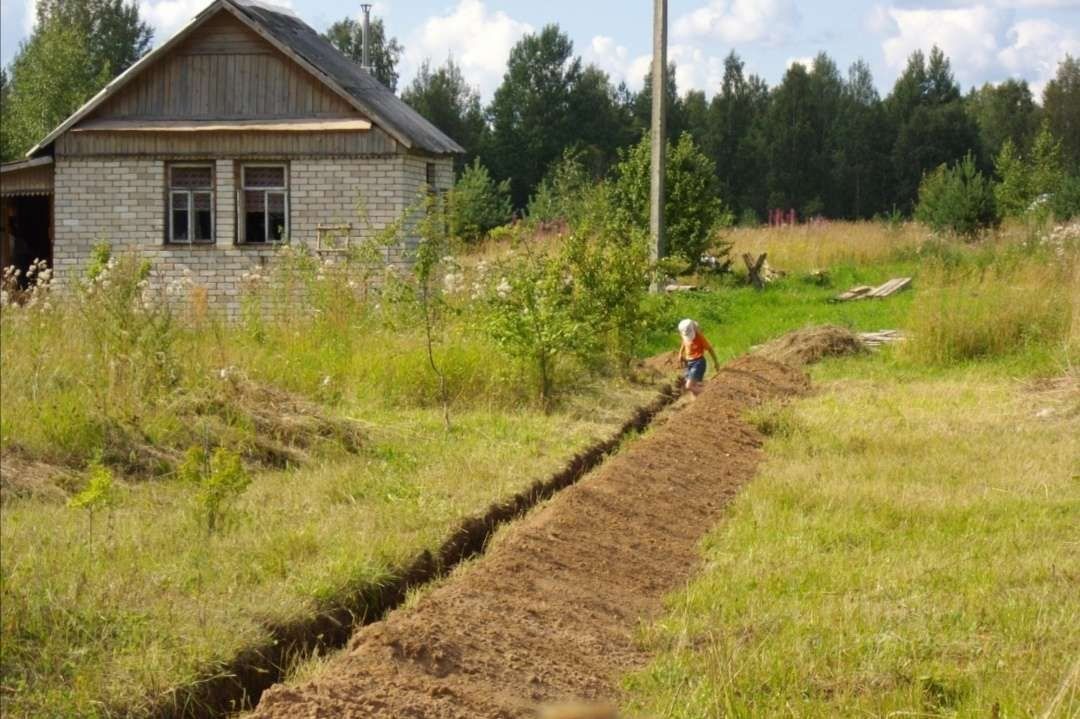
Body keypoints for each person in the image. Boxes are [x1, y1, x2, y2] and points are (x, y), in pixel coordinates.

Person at [677, 318, 719, 398]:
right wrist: (680, 353)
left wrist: (716, 362)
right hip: (688, 362)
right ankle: (698, 402)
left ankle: (711, 393)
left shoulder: (699, 337)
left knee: (689, 386)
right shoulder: (685, 333)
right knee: (694, 387)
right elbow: (684, 342)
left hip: (698, 362)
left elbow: (710, 349)